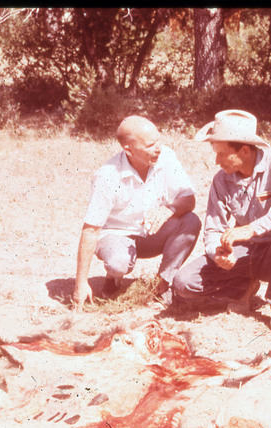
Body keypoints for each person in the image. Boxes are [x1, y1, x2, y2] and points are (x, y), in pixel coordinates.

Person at [173, 110, 271, 331]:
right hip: (243, 255)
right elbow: (213, 227)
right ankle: (243, 286)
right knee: (183, 283)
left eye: (222, 154)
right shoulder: (221, 180)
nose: (217, 161)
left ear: (245, 151)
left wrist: (252, 229)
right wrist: (217, 254)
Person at [73, 115, 201, 310]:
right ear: (128, 149)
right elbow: (91, 229)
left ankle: (162, 284)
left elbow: (189, 199)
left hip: (152, 233)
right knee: (119, 262)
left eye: (158, 140)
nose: (158, 148)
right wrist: (80, 283)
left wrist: (168, 209)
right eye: (150, 145)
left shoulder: (166, 157)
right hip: (117, 236)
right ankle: (114, 277)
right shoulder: (107, 175)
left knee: (190, 222)